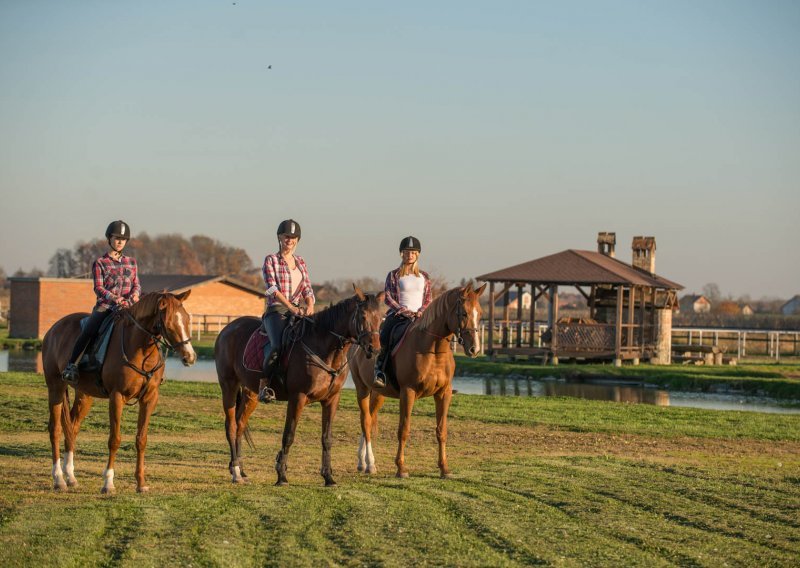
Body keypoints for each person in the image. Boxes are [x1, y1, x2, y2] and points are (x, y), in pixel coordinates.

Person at [61, 220, 141, 384]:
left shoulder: (131, 262)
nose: (119, 242)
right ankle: (71, 366)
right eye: (116, 238)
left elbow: (137, 285)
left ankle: (153, 370)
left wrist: (133, 296)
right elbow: (98, 288)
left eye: (123, 239)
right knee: (89, 330)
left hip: (128, 308)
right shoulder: (100, 263)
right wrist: (114, 298)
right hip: (106, 307)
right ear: (109, 239)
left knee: (148, 329)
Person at [258, 219, 316, 403]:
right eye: (286, 236)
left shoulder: (301, 262)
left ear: (297, 240)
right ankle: (264, 385)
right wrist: (290, 306)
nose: (289, 240)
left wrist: (310, 305)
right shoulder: (271, 260)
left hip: (298, 311)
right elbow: (271, 288)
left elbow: (307, 288)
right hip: (277, 310)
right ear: (279, 237)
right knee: (277, 345)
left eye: (293, 237)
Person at [374, 236, 432, 387]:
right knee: (385, 335)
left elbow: (428, 298)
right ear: (402, 254)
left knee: (438, 336)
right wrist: (402, 310)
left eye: (413, 252)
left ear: (417, 254)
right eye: (407, 252)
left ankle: (440, 377)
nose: (410, 255)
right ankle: (380, 370)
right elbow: (388, 297)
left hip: (420, 316)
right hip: (399, 315)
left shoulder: (424, 276)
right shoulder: (393, 275)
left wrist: (421, 311)